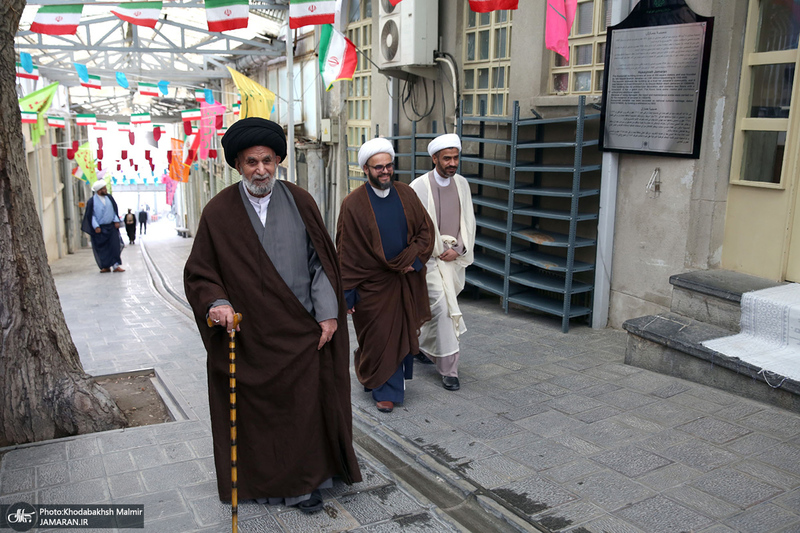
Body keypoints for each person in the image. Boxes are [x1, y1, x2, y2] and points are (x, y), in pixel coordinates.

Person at [184, 117, 361, 513]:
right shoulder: (218, 212)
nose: (260, 170)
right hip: (250, 338)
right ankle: (263, 482)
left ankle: (305, 483)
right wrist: (217, 303)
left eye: (267, 160)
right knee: (260, 417)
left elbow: (321, 264)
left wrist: (328, 314)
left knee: (303, 410)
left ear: (278, 160)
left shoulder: (300, 201)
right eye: (251, 162)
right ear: (238, 165)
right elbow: (201, 272)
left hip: (302, 332)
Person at [336, 137, 434, 414]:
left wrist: (413, 260)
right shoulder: (353, 203)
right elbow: (346, 252)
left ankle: (387, 391)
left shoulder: (406, 194)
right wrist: (347, 293)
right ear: (365, 169)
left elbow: (426, 231)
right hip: (370, 286)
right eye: (378, 167)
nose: (385, 171)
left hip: (402, 281)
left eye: (389, 165)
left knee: (397, 335)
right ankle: (375, 377)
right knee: (376, 338)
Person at [410, 134, 476, 391]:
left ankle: (423, 348)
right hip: (429, 259)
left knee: (437, 308)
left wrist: (458, 249)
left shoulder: (462, 184)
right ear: (434, 158)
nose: (452, 163)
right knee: (445, 308)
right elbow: (413, 227)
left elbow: (468, 221)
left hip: (453, 260)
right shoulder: (418, 186)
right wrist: (436, 249)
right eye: (447, 158)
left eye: (456, 158)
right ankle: (449, 369)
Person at [80, 176, 125, 273]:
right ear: (99, 190)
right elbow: (91, 215)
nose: (105, 190)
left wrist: (116, 221)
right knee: (103, 248)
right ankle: (105, 266)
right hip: (100, 229)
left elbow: (114, 211)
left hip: (111, 227)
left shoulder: (109, 198)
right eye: (103, 189)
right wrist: (96, 226)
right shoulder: (92, 201)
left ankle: (116, 265)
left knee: (115, 246)